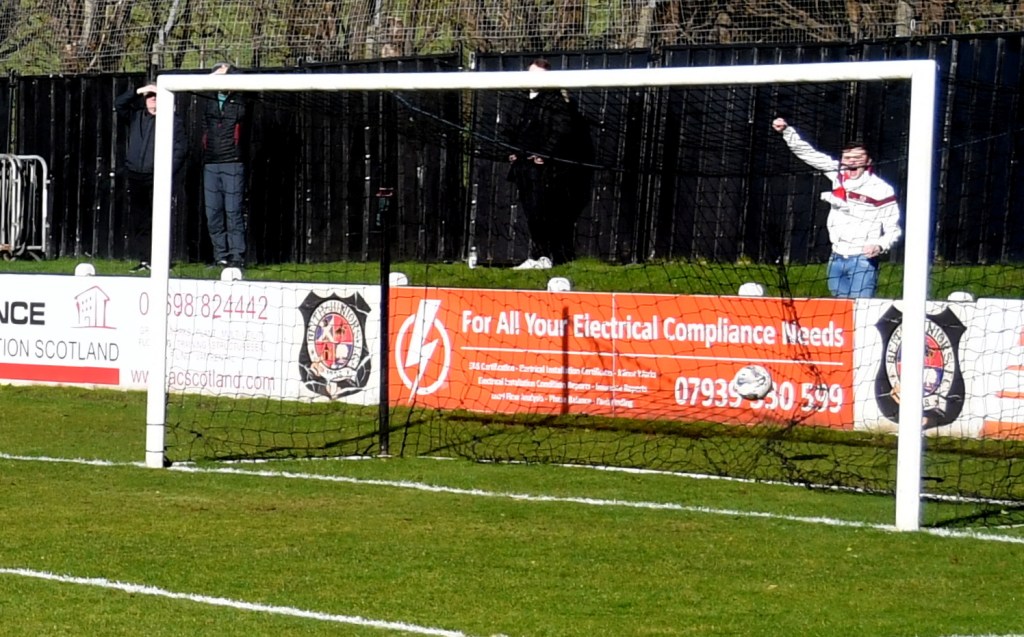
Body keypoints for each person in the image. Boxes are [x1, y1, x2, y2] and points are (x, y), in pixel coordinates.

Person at [772, 117, 901, 298]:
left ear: (868, 161)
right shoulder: (837, 174)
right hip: (836, 258)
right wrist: (787, 131)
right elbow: (809, 154)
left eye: (858, 158)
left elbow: (893, 229)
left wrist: (879, 245)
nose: (852, 162)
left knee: (861, 310)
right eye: (847, 158)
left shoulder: (881, 189)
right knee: (839, 309)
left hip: (863, 260)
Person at [505, 58, 594, 270]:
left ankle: (549, 256)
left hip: (545, 170)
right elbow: (509, 128)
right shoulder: (519, 100)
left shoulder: (556, 102)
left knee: (546, 211)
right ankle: (537, 255)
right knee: (530, 212)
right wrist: (511, 150)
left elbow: (562, 130)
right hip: (523, 167)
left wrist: (545, 154)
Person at [114, 82, 187, 271]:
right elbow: (119, 104)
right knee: (140, 220)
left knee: (159, 219)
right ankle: (145, 259)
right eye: (149, 96)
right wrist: (139, 90)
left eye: (156, 96)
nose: (153, 99)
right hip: (136, 175)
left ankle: (161, 261)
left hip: (157, 176)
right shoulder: (136, 116)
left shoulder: (172, 120)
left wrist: (166, 170)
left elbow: (180, 149)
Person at [201, 62, 249, 268]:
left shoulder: (241, 98)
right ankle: (220, 255)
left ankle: (237, 256)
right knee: (213, 213)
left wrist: (228, 71)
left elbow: (243, 80)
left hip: (233, 162)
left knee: (233, 211)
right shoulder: (209, 99)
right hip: (211, 162)